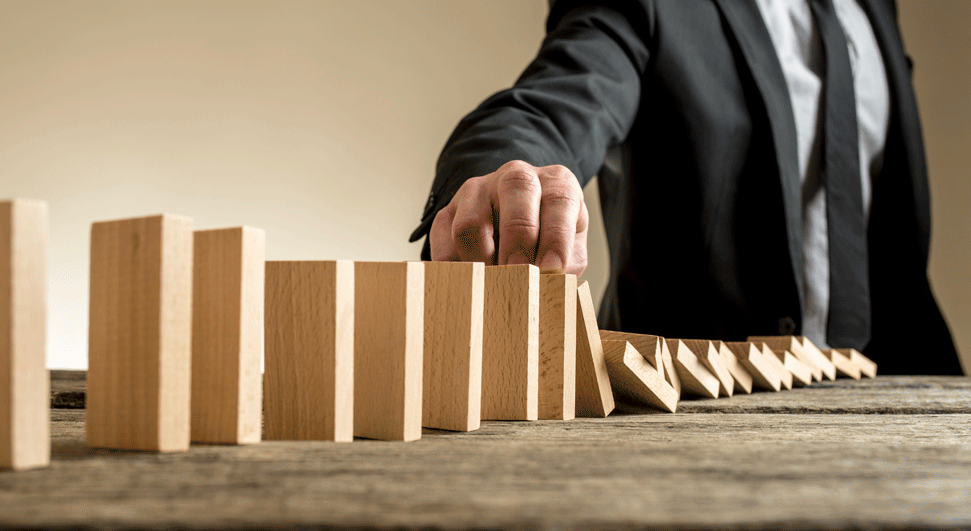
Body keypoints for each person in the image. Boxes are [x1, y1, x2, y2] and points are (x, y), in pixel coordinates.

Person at [410, 0, 962, 375]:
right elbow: (553, 105)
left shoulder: (873, 9)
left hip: (902, 401)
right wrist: (504, 177)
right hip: (688, 409)